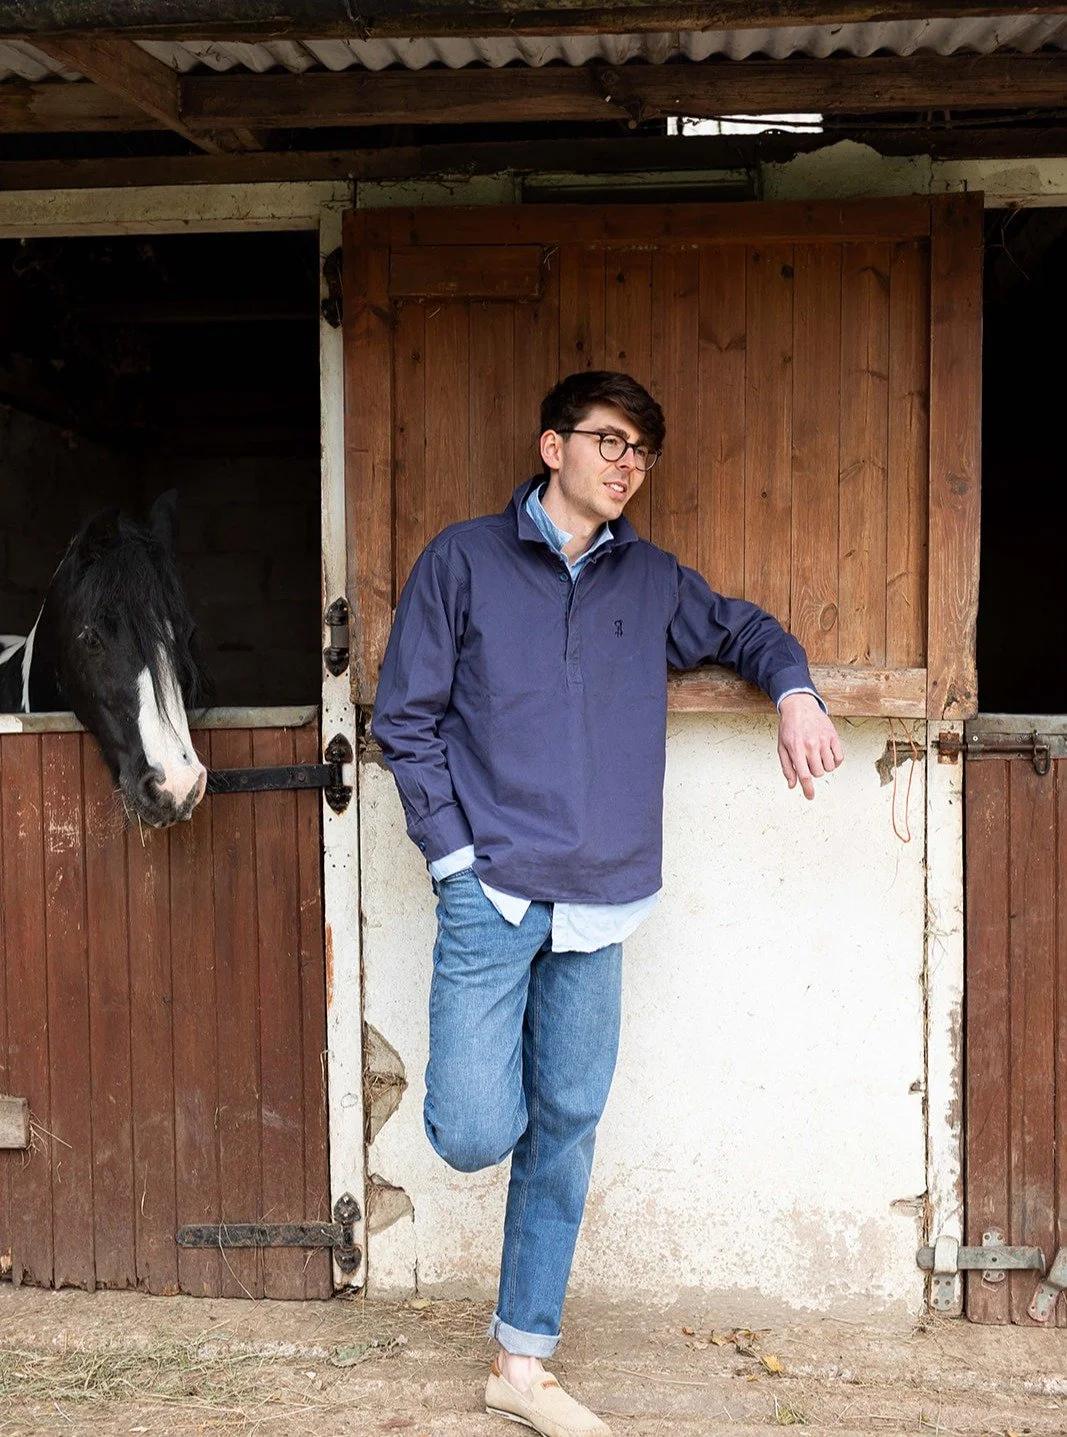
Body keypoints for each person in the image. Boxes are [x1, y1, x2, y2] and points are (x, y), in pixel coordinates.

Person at [372, 370, 843, 1437]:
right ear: (552, 447)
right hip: (489, 893)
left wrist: (795, 690)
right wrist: (451, 862)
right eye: (608, 442)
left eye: (640, 451)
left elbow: (747, 631)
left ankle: (519, 1364)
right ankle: (518, 1305)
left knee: (569, 1125)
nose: (626, 465)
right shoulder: (463, 561)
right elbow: (405, 721)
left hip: (602, 902)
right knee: (472, 1130)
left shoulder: (651, 581)